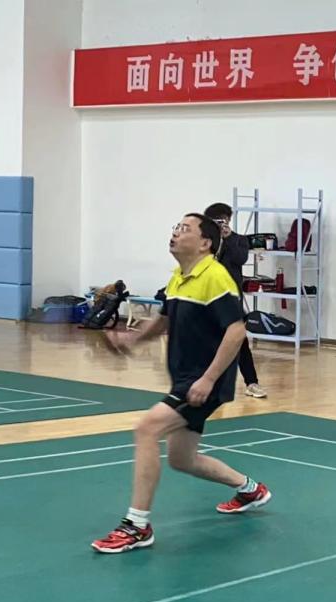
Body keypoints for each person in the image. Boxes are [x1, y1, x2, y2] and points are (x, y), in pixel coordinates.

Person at [91, 214, 271, 554]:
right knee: (182, 459)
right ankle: (250, 489)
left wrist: (208, 379)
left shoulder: (215, 277)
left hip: (203, 381)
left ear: (205, 243)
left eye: (185, 229)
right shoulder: (179, 276)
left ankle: (137, 526)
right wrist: (131, 340)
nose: (175, 233)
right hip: (187, 379)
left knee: (146, 429)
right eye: (175, 227)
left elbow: (236, 331)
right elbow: (164, 320)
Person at [204, 202, 266, 398]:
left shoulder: (239, 240)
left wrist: (228, 238)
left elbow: (240, 259)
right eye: (217, 221)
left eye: (224, 220)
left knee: (239, 341)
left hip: (230, 299)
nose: (221, 224)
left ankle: (252, 383)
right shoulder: (203, 241)